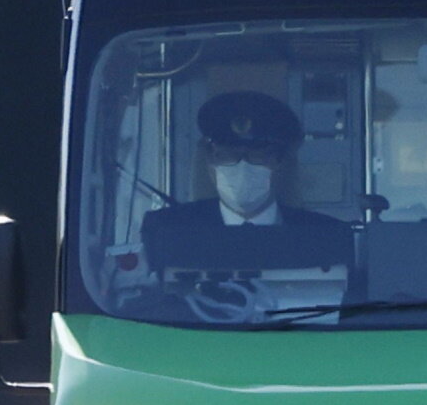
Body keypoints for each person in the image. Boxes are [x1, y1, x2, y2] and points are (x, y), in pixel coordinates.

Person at [142, 91, 353, 275]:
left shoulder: (326, 235)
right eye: (227, 155)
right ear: (209, 161)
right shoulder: (167, 230)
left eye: (258, 155)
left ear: (280, 162)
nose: (242, 165)